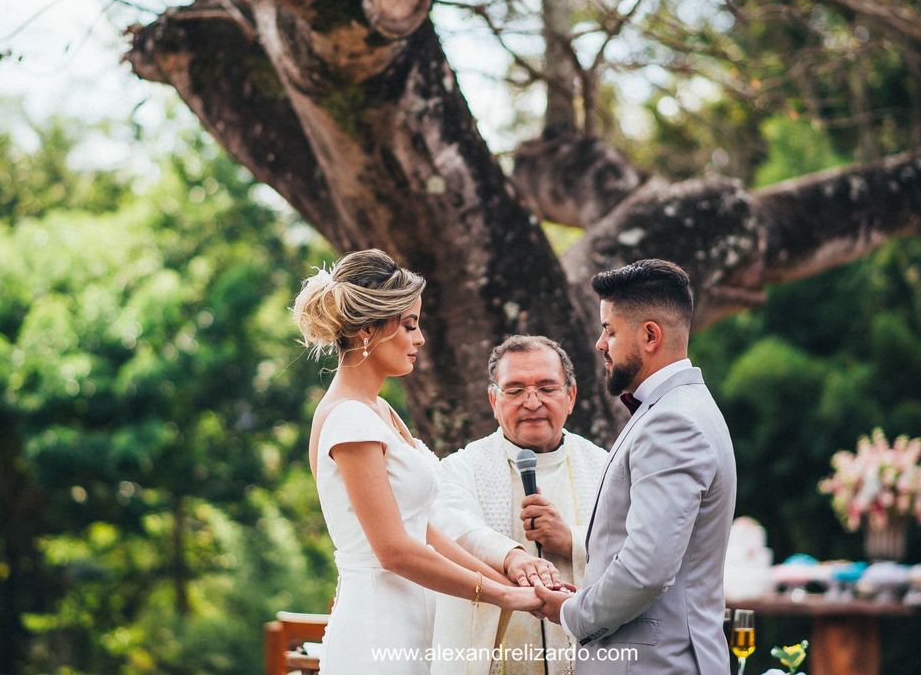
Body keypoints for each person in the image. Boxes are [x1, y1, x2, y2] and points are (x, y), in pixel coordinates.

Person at [294, 249, 543, 675]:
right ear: (370, 330)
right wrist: (497, 596)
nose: (420, 338)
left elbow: (420, 528)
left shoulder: (378, 412)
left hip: (411, 627)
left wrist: (506, 582)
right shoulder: (349, 419)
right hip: (377, 631)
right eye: (409, 325)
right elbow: (393, 550)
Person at [533, 259, 736, 675]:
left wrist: (573, 613)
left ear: (649, 335)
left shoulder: (672, 422)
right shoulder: (684, 409)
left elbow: (646, 569)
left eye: (609, 330)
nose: (599, 344)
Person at [431, 335, 608, 675]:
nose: (532, 402)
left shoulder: (603, 467)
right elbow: (448, 522)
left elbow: (635, 544)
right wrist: (510, 555)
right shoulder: (461, 466)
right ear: (493, 400)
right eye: (514, 390)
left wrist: (570, 539)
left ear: (570, 396)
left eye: (546, 387)